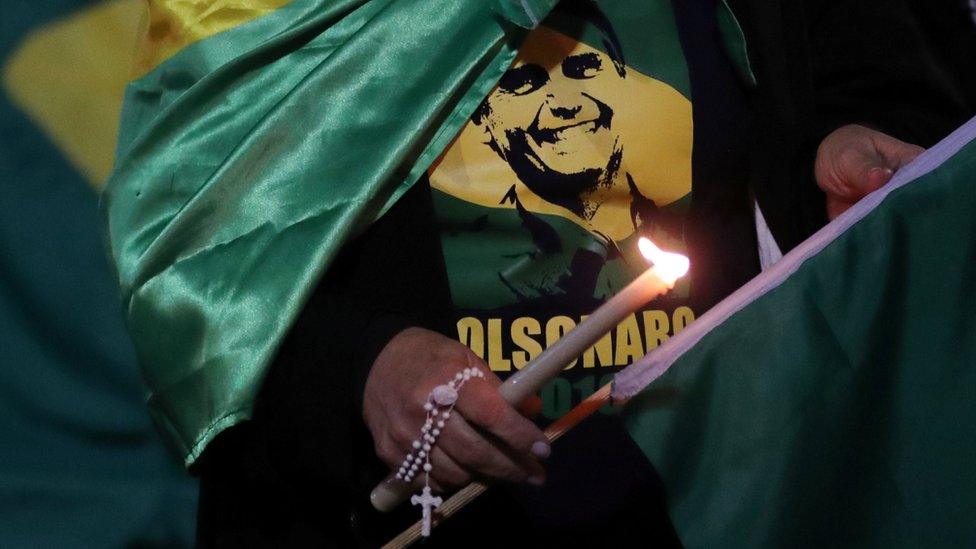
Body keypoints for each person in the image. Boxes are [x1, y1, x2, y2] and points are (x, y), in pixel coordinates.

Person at [194, 0, 967, 547]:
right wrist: (358, 364)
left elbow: (881, 56)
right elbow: (194, 245)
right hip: (392, 511)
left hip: (731, 482)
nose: (566, 102)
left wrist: (852, 142)